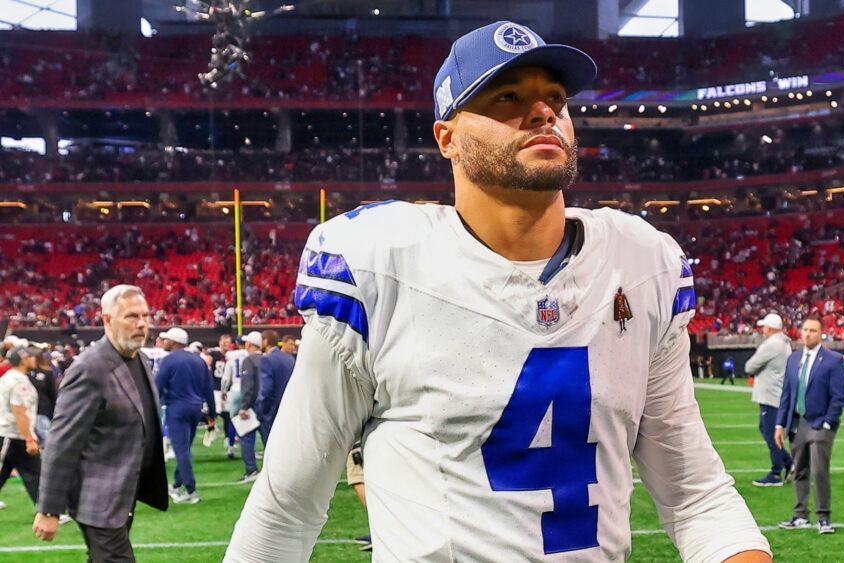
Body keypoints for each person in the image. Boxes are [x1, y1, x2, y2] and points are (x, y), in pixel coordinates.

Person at [226, 21, 770, 562]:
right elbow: (287, 506)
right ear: (448, 137)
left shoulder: (641, 263)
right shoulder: (380, 265)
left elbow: (696, 496)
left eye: (555, 97)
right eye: (507, 97)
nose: (543, 112)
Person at [33, 285, 168, 559]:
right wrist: (48, 509)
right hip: (98, 499)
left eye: (145, 315)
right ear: (107, 320)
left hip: (124, 493)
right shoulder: (89, 367)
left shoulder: (138, 357)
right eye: (132, 316)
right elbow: (62, 441)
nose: (142, 323)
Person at [775, 317, 844, 535]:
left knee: (819, 471)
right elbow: (786, 393)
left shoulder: (833, 360)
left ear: (821, 333)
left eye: (813, 330)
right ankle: (800, 516)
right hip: (797, 422)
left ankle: (823, 518)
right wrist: (780, 423)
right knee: (800, 470)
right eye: (805, 330)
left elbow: (838, 395)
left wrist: (828, 422)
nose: (808, 334)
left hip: (819, 424)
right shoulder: (794, 358)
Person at [156, 327, 217, 504]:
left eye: (167, 339)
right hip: (196, 409)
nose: (164, 342)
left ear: (174, 342)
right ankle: (176, 484)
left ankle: (191, 490)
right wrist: (212, 414)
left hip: (177, 408)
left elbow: (157, 386)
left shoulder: (169, 360)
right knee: (184, 449)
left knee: (181, 450)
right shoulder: (198, 360)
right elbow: (208, 389)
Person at [745, 313, 793, 486]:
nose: (762, 329)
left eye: (764, 326)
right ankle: (789, 463)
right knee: (767, 430)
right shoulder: (784, 343)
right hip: (776, 394)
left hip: (771, 395)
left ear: (771, 328)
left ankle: (775, 473)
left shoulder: (772, 344)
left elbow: (750, 366)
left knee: (771, 434)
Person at [0, 346, 41, 508]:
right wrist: (29, 439)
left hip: (11, 433)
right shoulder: (18, 381)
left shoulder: (7, 377)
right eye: (30, 356)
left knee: (5, 471)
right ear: (24, 359)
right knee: (35, 473)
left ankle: (46, 509)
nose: (34, 359)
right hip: (14, 434)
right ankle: (46, 510)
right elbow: (19, 411)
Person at [255, 329, 295, 445]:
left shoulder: (266, 359)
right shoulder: (289, 359)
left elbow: (266, 390)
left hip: (272, 411)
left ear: (266, 341)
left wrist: (261, 410)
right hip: (288, 409)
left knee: (271, 448)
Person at [235, 331, 263, 483]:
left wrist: (244, 406)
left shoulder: (249, 360)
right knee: (269, 440)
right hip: (267, 406)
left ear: (249, 344)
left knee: (246, 438)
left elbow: (248, 386)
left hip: (253, 407)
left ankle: (251, 470)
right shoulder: (267, 359)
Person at [25, 348, 59, 448]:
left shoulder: (47, 373)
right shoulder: (25, 374)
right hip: (28, 410)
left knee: (45, 436)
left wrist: (54, 411)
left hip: (43, 410)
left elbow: (52, 393)